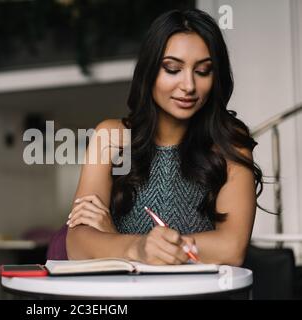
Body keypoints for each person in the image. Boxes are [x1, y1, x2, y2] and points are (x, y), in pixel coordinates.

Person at [60, 9, 263, 266]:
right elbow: (77, 244)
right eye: (172, 68)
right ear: (150, 70)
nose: (189, 85)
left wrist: (116, 241)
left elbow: (231, 249)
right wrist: (139, 247)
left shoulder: (229, 140)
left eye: (202, 71)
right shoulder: (110, 137)